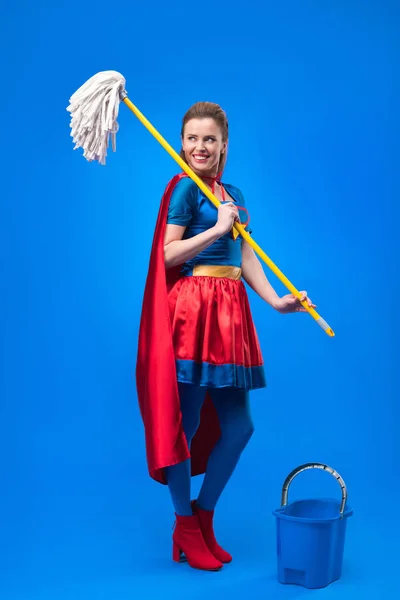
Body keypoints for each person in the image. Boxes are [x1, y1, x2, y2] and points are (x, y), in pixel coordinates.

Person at [136, 102, 315, 571]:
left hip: (229, 314)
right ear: (182, 142)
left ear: (223, 145)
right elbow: (169, 254)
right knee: (187, 425)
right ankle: (184, 523)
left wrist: (277, 302)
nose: (200, 147)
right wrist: (215, 226)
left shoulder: (230, 192)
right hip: (194, 313)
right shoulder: (184, 191)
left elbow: (243, 256)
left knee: (240, 427)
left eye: (209, 139)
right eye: (192, 138)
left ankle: (202, 516)